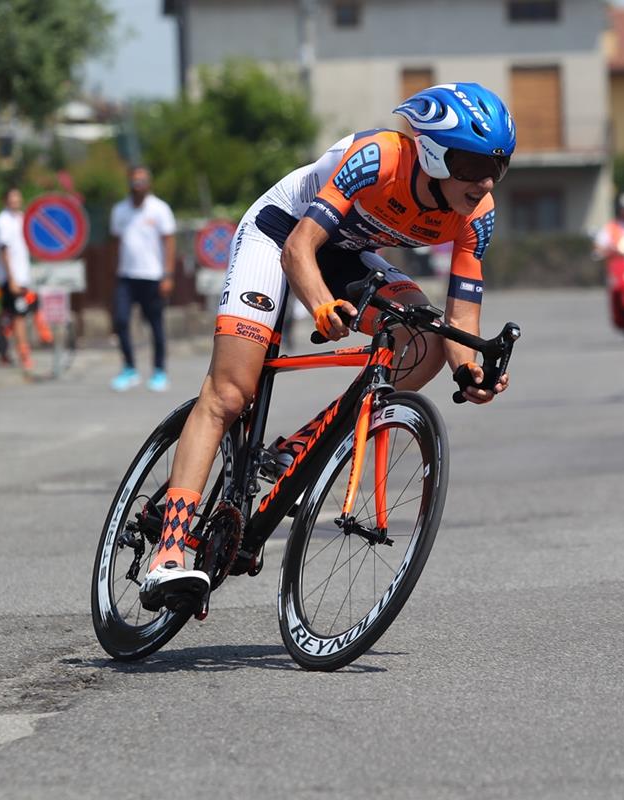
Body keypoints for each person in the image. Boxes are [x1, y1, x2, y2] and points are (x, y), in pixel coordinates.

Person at [137, 82, 516, 611]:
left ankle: (302, 445)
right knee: (230, 393)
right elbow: (298, 249)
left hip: (346, 254)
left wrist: (468, 371)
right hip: (280, 237)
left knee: (425, 337)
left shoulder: (479, 213)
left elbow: (461, 316)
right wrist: (319, 305)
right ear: (433, 152)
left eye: (497, 168)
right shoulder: (377, 157)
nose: (484, 181)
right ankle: (169, 554)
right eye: (472, 165)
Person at [109, 166, 178, 392]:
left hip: (153, 276)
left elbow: (169, 242)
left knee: (155, 325)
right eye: (134, 181)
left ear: (148, 183)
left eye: (142, 181)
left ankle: (159, 370)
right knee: (120, 320)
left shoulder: (159, 209)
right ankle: (129, 368)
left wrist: (167, 274)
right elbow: (116, 243)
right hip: (127, 277)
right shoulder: (120, 210)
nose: (137, 186)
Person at [0, 186, 34, 372]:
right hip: (11, 278)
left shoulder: (22, 219)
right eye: (12, 198)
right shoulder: (3, 222)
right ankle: (24, 355)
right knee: (19, 317)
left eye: (18, 197)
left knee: (10, 316)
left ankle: (3, 352)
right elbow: (4, 252)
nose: (15, 201)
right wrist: (12, 279)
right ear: (5, 200)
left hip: (22, 276)